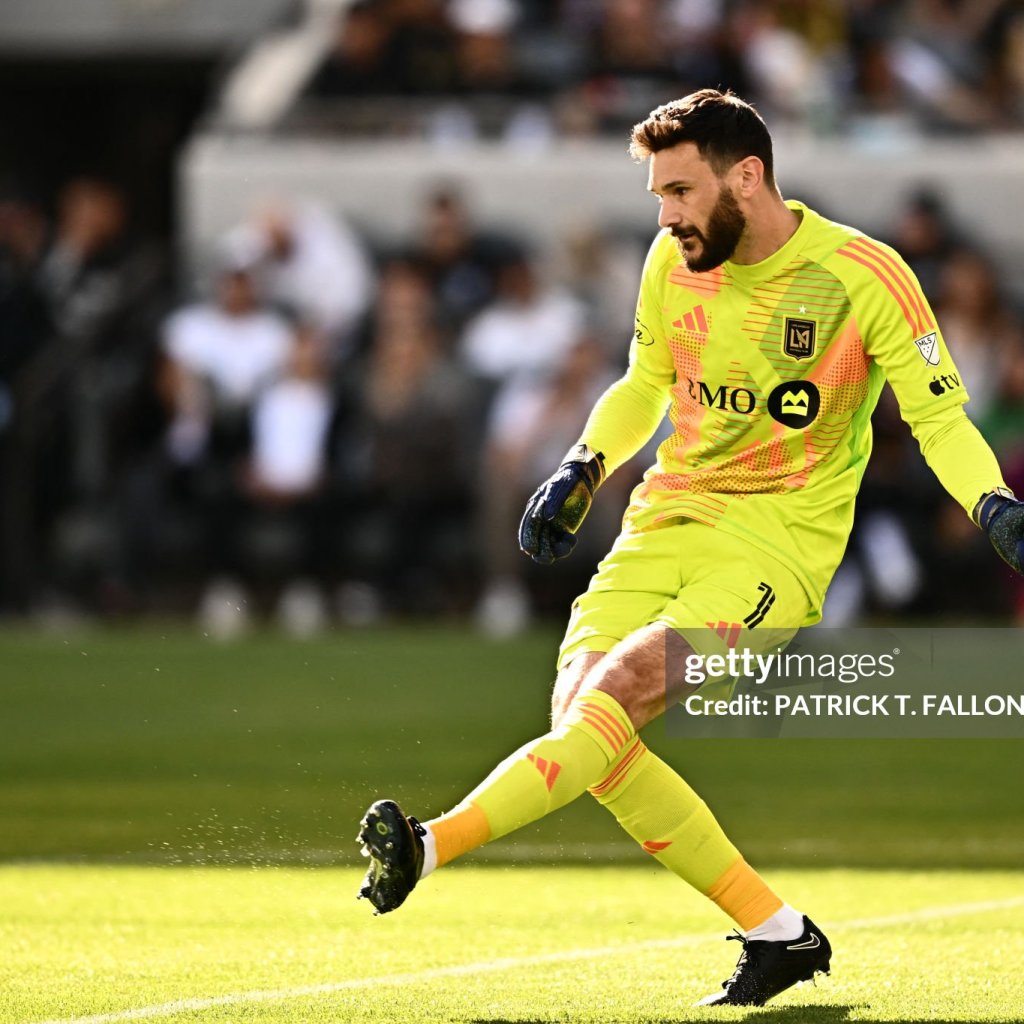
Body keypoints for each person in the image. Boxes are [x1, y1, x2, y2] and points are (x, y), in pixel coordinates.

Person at [355, 89, 1024, 1008]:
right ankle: (777, 932)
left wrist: (994, 507)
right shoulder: (673, 261)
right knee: (586, 729)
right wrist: (582, 467)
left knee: (614, 699)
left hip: (772, 548)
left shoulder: (863, 276)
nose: (664, 215)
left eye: (679, 190)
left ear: (746, 177)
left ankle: (430, 845)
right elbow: (644, 383)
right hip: (663, 520)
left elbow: (941, 417)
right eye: (658, 196)